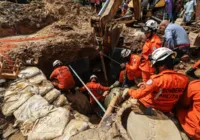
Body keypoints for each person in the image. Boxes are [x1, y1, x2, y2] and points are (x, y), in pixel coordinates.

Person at [127, 47, 188, 113]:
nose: (153, 69)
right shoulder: (184, 79)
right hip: (166, 109)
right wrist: (147, 85)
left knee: (130, 99)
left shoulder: (157, 80)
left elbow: (137, 95)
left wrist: (129, 91)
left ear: (162, 66)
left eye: (155, 66)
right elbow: (165, 88)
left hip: (150, 108)